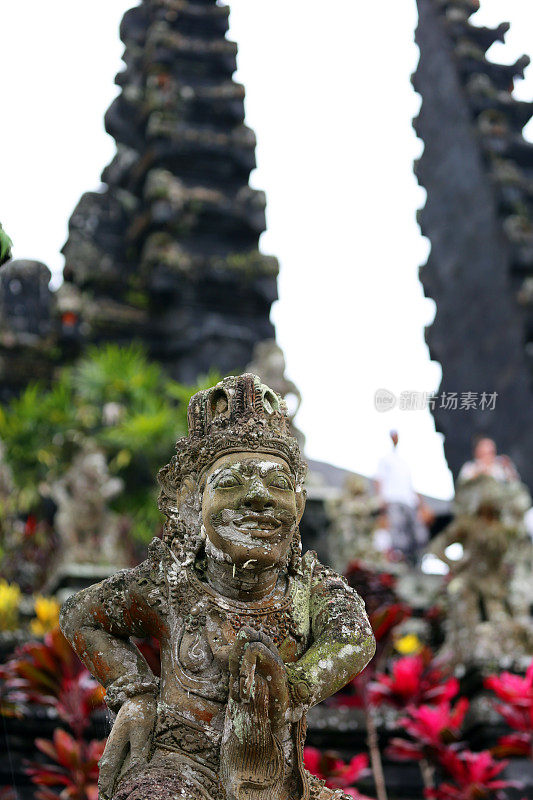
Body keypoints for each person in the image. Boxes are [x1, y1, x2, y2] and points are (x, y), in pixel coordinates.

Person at [59, 374, 375, 800]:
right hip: (180, 766)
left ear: (299, 504)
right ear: (193, 501)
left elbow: (353, 637)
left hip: (279, 779)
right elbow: (80, 615)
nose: (259, 498)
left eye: (278, 484)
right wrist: (135, 694)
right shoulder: (171, 583)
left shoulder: (307, 586)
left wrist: (292, 687)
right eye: (231, 483)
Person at [375, 430, 427, 564]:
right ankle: (400, 562)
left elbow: (412, 486)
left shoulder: (404, 462)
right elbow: (379, 480)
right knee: (398, 534)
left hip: (409, 503)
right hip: (393, 500)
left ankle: (416, 562)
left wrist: (422, 506)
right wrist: (381, 501)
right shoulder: (385, 459)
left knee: (419, 535)